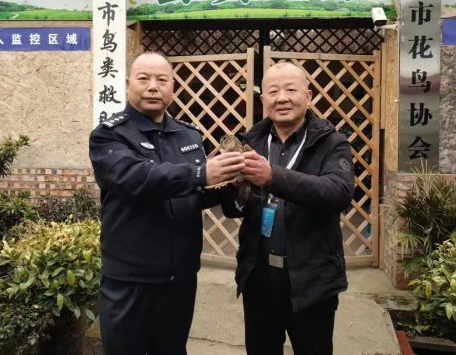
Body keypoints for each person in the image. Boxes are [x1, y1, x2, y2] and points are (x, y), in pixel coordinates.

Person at [89, 52, 245, 355]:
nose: (153, 86)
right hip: (130, 280)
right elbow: (136, 179)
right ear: (128, 84)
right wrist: (201, 173)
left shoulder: (188, 135)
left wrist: (232, 181)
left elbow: (191, 193)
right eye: (144, 79)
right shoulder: (109, 137)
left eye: (162, 80)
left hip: (180, 279)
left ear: (173, 87)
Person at [224, 61, 355, 355]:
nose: (281, 98)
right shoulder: (249, 143)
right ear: (263, 100)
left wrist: (273, 177)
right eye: (273, 92)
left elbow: (339, 193)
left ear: (308, 97)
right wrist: (232, 185)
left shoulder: (332, 143)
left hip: (312, 280)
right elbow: (233, 210)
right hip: (259, 278)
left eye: (290, 90)